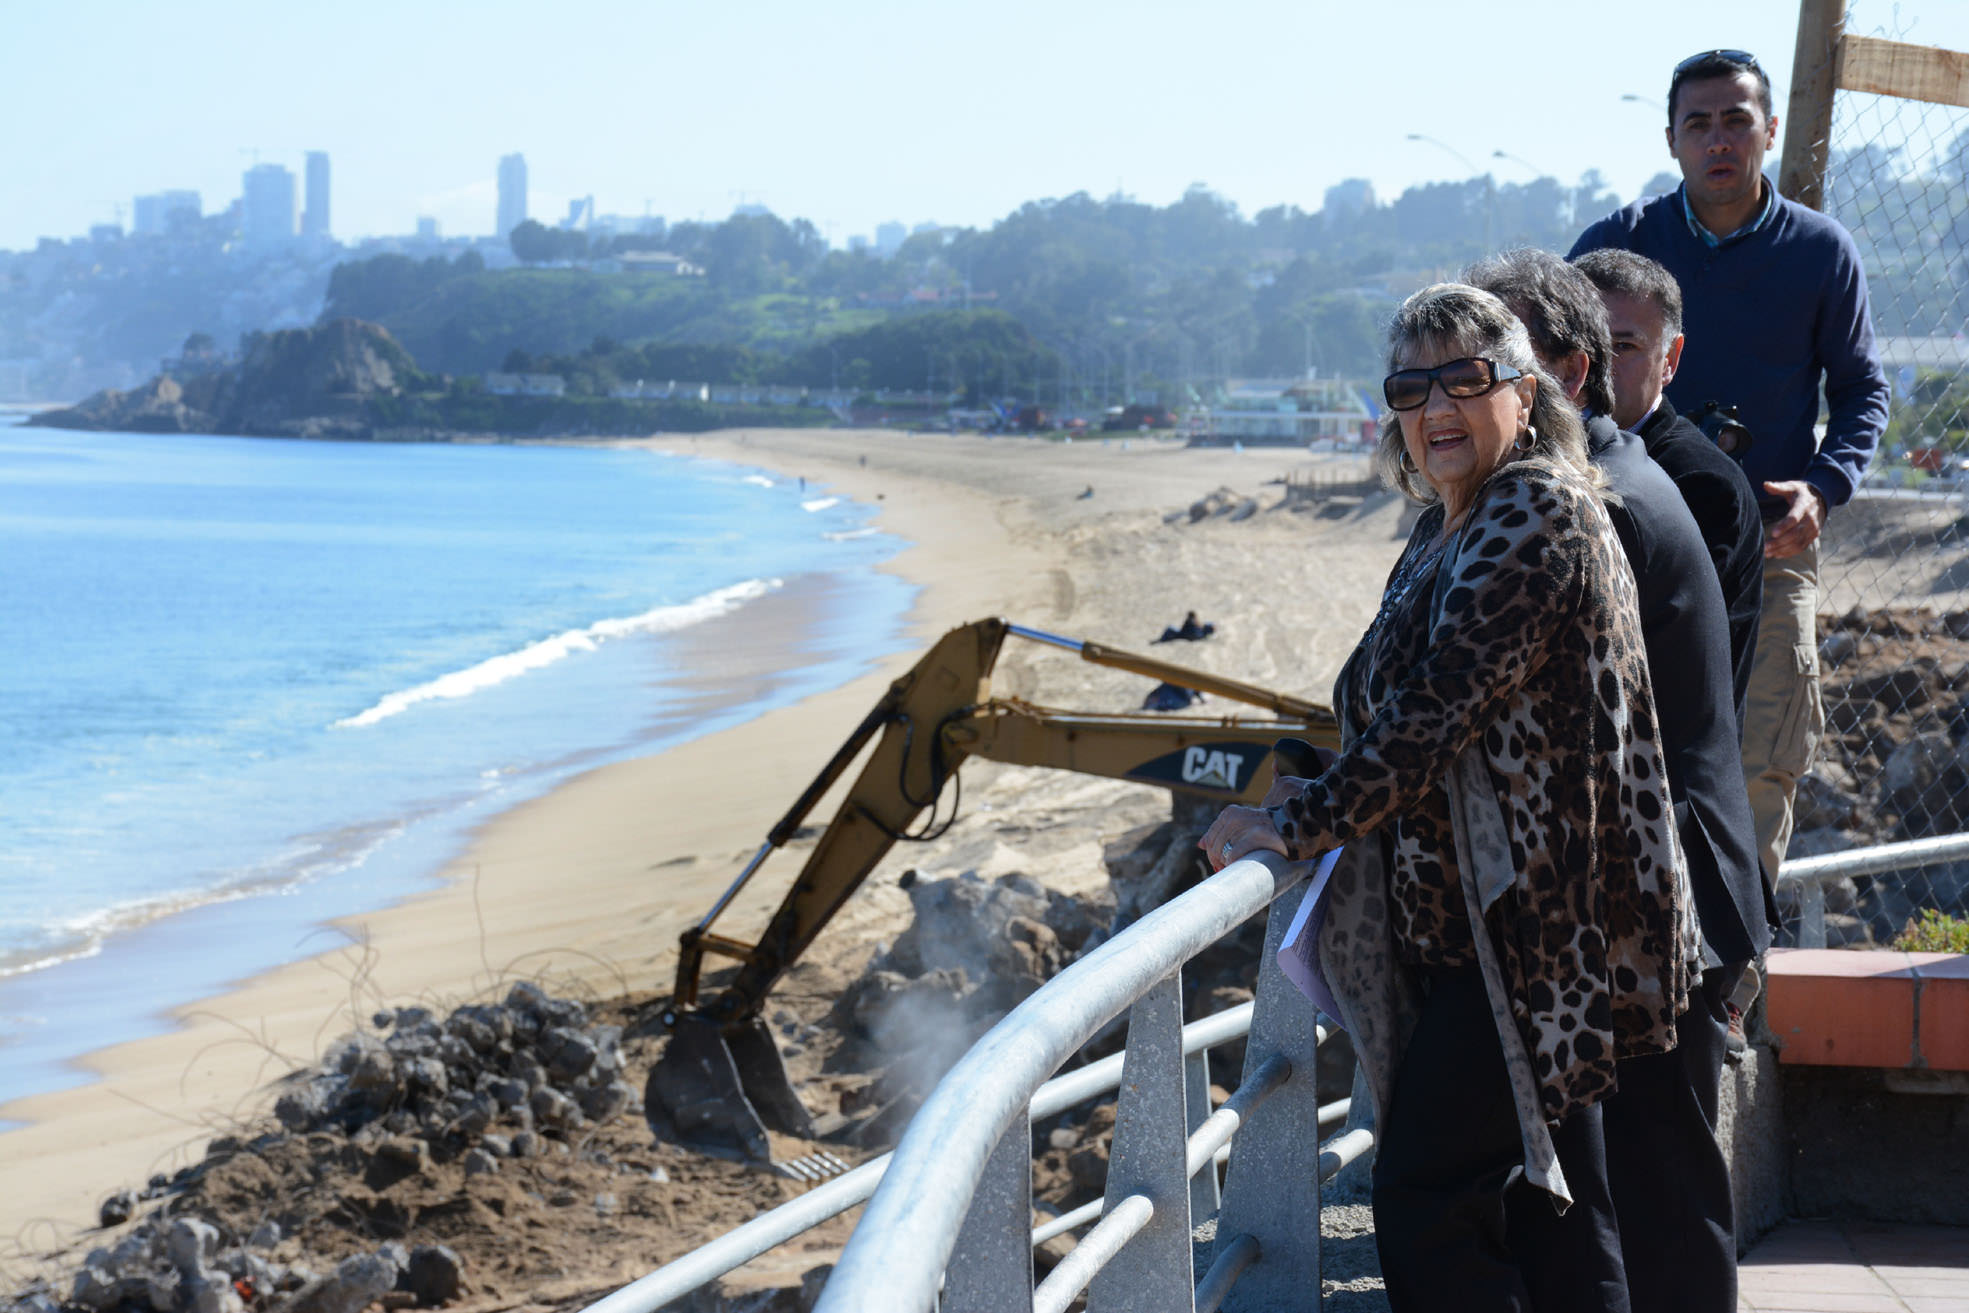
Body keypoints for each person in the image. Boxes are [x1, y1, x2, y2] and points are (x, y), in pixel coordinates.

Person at [1203, 283, 1696, 1313]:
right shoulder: (1447, 522)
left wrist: (1293, 823)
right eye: (1409, 387)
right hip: (1493, 925)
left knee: (1425, 1194)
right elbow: (1399, 707)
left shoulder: (1536, 511)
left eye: (1465, 378)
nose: (1435, 406)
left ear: (1525, 392)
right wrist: (1319, 776)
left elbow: (1434, 710)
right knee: (1552, 1212)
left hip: (1530, 931)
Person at [1466, 248, 1765, 1313]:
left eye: (1489, 363)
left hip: (1654, 890)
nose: (1466, 392)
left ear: (1566, 372)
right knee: (1644, 1189)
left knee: (1650, 1197)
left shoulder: (1605, 506)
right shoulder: (1607, 481)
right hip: (1647, 885)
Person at [1569, 48, 1890, 896]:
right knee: (1603, 755)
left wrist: (1824, 486)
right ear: (1670, 139)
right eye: (1698, 123)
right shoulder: (1614, 246)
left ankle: (1733, 971)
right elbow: (1546, 367)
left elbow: (1862, 389)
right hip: (1617, 548)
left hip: (1770, 550)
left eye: (1735, 121)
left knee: (1759, 761)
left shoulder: (1819, 251)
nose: (1718, 140)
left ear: (1769, 130)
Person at [1572, 246, 1764, 722]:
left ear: (1670, 359)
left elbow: (1630, 656)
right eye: (1580, 343)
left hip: (1660, 761)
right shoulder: (1550, 457)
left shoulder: (1701, 485)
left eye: (1623, 346)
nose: (1594, 367)